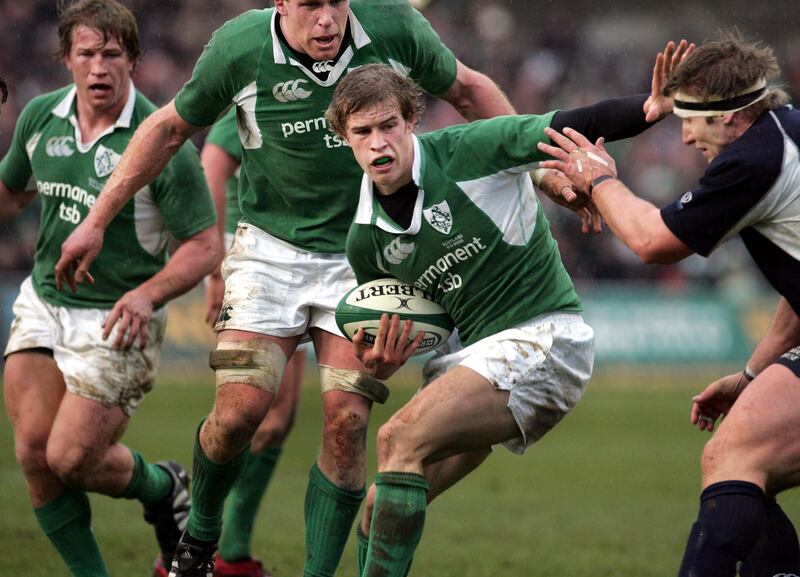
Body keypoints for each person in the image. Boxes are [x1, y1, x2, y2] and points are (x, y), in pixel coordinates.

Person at [53, 1, 529, 576]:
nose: (326, 19)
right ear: (281, 3)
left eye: (336, 2)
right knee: (238, 415)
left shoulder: (395, 26)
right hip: (269, 252)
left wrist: (539, 167)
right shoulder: (241, 46)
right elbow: (171, 127)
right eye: (309, 5)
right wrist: (98, 219)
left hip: (364, 252)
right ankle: (200, 534)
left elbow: (471, 90)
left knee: (348, 423)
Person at [322, 51, 684, 576]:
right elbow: (405, 332)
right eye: (362, 132)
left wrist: (649, 109)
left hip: (546, 339)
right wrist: (380, 361)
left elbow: (571, 125)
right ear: (344, 138)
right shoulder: (365, 240)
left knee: (395, 439)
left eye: (389, 125)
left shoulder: (471, 148)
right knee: (378, 508)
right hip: (474, 363)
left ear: (411, 122)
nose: (378, 142)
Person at [538, 34, 800, 576]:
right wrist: (753, 372)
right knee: (739, 459)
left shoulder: (751, 161)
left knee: (735, 459)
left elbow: (653, 242)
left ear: (728, 118)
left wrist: (600, 178)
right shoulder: (786, 128)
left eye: (691, 119)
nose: (682, 138)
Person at [0, 1, 221, 577]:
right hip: (45, 304)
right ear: (67, 60)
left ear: (134, 61)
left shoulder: (161, 145)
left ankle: (163, 486)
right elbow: (12, 192)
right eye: (87, 53)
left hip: (118, 317)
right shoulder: (40, 117)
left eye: (112, 54)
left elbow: (204, 246)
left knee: (70, 458)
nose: (99, 67)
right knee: (33, 454)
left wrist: (148, 295)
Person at [201, 107, 305, 577]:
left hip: (306, 254)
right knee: (247, 412)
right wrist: (215, 262)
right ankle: (204, 542)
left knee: (279, 417)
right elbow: (215, 163)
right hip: (258, 257)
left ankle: (231, 550)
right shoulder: (260, 94)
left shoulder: (333, 92)